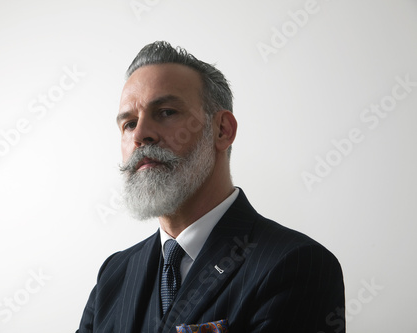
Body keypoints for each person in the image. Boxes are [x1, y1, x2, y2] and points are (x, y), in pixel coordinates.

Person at [76, 41, 345, 333]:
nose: (141, 134)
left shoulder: (295, 265)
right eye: (129, 123)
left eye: (166, 112)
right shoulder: (113, 275)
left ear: (222, 130)